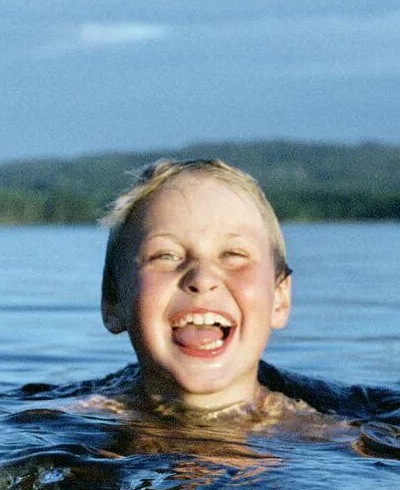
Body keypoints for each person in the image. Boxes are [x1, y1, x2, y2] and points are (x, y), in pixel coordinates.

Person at [99, 158, 307, 421]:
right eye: (165, 255)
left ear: (279, 299)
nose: (202, 277)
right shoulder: (53, 426)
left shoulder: (342, 437)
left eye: (233, 254)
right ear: (112, 300)